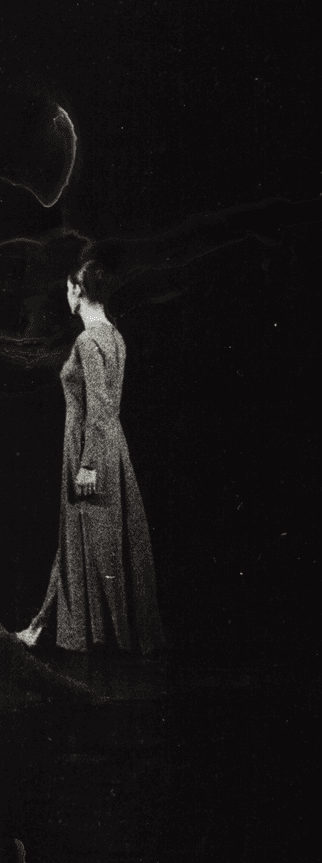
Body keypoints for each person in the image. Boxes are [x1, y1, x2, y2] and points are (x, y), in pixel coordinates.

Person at [17, 259, 165, 653]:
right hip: (111, 449)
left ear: (77, 291)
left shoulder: (87, 341)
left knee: (92, 542)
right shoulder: (115, 336)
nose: (67, 297)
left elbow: (99, 406)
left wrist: (87, 466)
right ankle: (40, 625)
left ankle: (83, 634)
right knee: (87, 540)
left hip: (90, 452)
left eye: (69, 289)